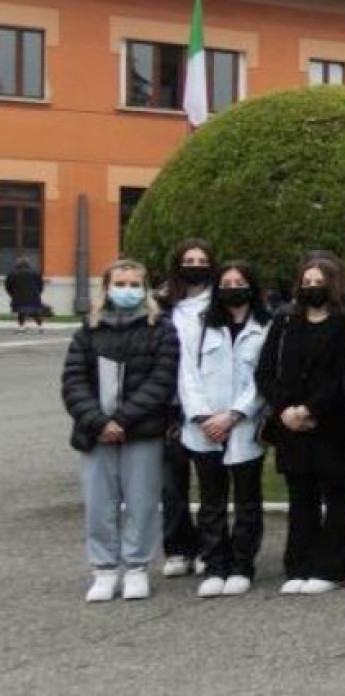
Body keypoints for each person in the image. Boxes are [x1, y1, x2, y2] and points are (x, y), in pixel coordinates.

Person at [63, 260, 178, 603]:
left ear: (144, 290)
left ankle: (137, 567)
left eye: (133, 284)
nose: (126, 290)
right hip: (95, 432)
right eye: (120, 283)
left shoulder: (161, 328)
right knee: (100, 502)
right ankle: (104, 569)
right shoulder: (89, 330)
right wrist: (99, 421)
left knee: (142, 501)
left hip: (142, 430)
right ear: (107, 288)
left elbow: (162, 380)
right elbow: (73, 380)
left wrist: (123, 420)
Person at [256, 256, 345, 595]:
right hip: (290, 425)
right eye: (307, 282)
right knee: (301, 497)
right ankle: (299, 564)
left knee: (336, 494)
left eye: (319, 282)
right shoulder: (285, 323)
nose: (312, 288)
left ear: (334, 284)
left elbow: (344, 376)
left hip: (331, 424)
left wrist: (311, 409)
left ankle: (334, 566)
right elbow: (266, 371)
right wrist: (285, 409)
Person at [179, 261, 269, 598]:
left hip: (244, 426)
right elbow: (186, 373)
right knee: (211, 501)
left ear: (252, 286)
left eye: (240, 282)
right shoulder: (200, 326)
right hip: (205, 428)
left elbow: (263, 378)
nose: (233, 287)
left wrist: (234, 414)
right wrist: (203, 417)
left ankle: (243, 565)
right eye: (227, 282)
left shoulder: (266, 326)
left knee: (247, 500)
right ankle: (215, 565)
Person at [157, 238, 215, 580]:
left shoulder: (218, 302)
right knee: (171, 483)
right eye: (188, 260)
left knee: (210, 482)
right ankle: (178, 547)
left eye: (201, 259)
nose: (195, 265)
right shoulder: (163, 304)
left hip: (208, 403)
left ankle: (210, 547)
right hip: (169, 404)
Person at [7, 255, 48, 331]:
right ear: (28, 264)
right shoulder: (35, 272)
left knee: (21, 311)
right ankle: (40, 326)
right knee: (35, 312)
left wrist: (12, 294)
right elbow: (40, 284)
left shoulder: (13, 273)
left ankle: (21, 327)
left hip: (18, 296)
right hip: (33, 295)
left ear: (17, 264)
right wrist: (38, 292)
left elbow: (8, 286)